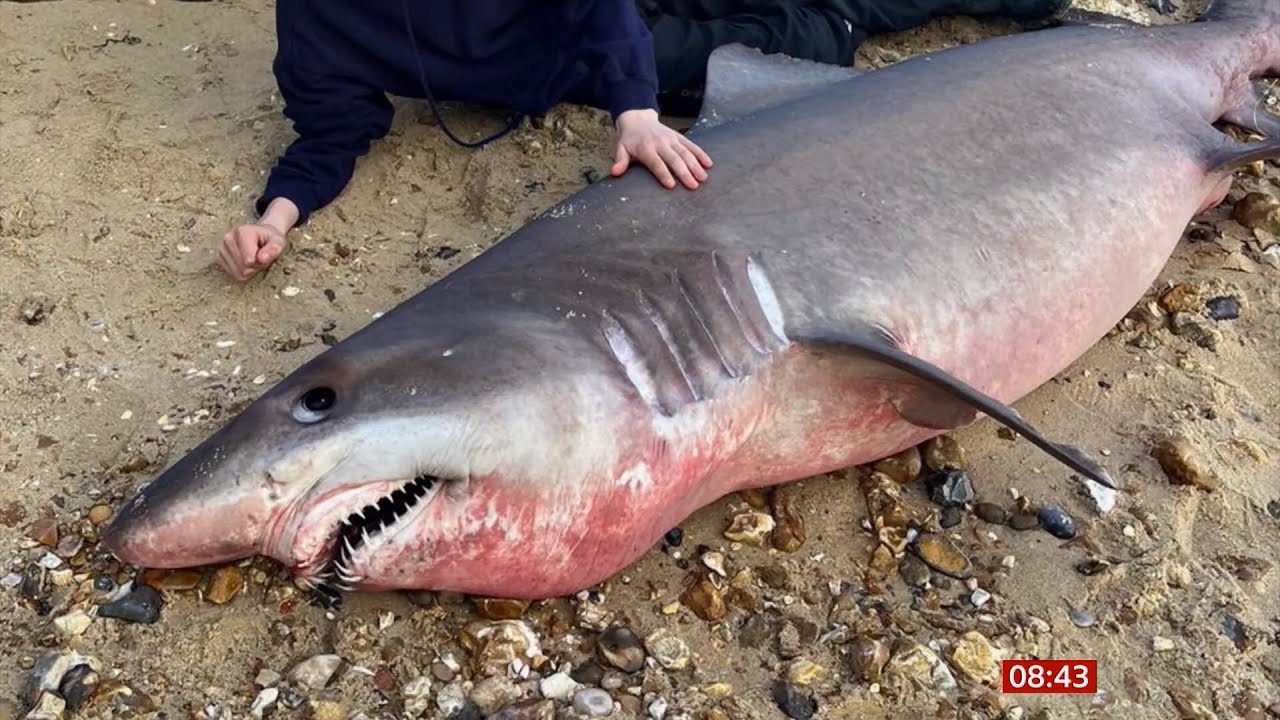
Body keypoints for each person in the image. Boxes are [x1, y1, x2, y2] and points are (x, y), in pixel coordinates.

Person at [218, 0, 1069, 283]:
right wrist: (279, 218)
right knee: (801, 32)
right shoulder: (317, 21)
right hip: (560, 70)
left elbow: (602, 9)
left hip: (597, 36)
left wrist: (634, 110)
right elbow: (332, 128)